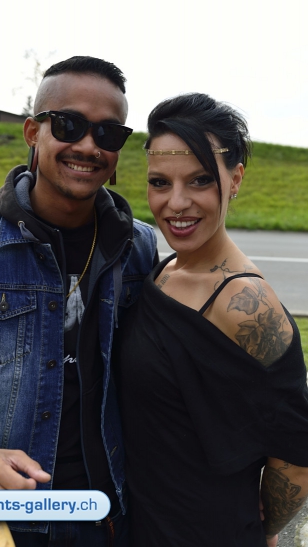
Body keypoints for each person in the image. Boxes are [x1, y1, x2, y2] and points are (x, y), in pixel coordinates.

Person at [0, 55, 158, 546]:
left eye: (109, 133)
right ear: (32, 132)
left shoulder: (140, 248)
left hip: (113, 513)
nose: (88, 146)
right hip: (6, 515)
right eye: (69, 125)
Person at [116, 92, 308, 547]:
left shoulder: (246, 303)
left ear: (235, 178)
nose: (176, 202)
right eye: (160, 182)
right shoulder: (165, 270)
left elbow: (297, 455)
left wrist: (265, 530)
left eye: (200, 180)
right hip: (144, 524)